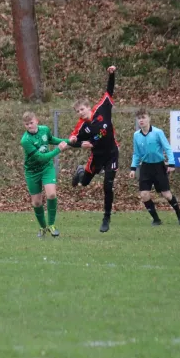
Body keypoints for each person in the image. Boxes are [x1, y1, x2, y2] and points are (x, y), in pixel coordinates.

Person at [69, 66, 119, 233]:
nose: (80, 113)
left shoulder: (101, 108)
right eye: (77, 111)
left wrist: (112, 74)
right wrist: (79, 144)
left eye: (82, 109)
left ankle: (106, 218)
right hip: (96, 157)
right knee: (84, 183)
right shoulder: (81, 127)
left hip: (112, 153)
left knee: (108, 185)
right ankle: (81, 172)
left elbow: (109, 91)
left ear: (88, 107)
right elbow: (71, 140)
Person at [129, 108, 180, 226]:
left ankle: (179, 214)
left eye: (143, 117)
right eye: (139, 118)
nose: (141, 120)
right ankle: (156, 219)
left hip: (158, 167)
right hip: (145, 168)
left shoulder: (158, 132)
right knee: (144, 194)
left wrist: (171, 163)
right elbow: (136, 153)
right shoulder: (136, 135)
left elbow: (167, 148)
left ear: (149, 118)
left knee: (166, 195)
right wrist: (133, 168)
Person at [20, 111, 70, 237]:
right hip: (32, 172)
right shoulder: (25, 140)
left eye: (31, 123)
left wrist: (69, 141)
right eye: (27, 124)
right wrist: (59, 149)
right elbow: (41, 158)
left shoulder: (45, 129)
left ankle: (52, 225)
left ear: (37, 121)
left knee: (52, 194)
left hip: (47, 168)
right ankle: (43, 228)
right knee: (36, 203)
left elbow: (52, 139)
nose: (30, 126)